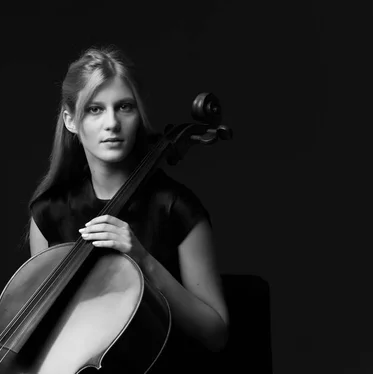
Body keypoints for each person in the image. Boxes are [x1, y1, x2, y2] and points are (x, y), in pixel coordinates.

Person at [26, 45, 229, 372]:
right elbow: (47, 337)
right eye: (94, 109)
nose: (112, 123)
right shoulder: (49, 214)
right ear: (70, 120)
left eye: (124, 107)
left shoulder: (177, 208)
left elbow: (216, 334)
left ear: (139, 115)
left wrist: (144, 261)